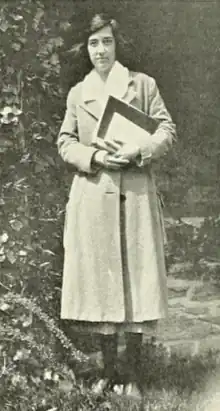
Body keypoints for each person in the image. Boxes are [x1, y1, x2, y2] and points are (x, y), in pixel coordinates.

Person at [57, 13, 176, 399]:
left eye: (106, 41)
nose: (101, 50)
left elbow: (166, 129)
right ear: (86, 49)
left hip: (136, 194)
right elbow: (65, 142)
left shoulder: (142, 85)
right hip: (95, 196)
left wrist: (139, 149)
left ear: (116, 44)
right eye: (94, 44)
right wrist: (93, 157)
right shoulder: (79, 93)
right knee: (103, 285)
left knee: (137, 283)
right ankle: (108, 372)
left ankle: (135, 375)